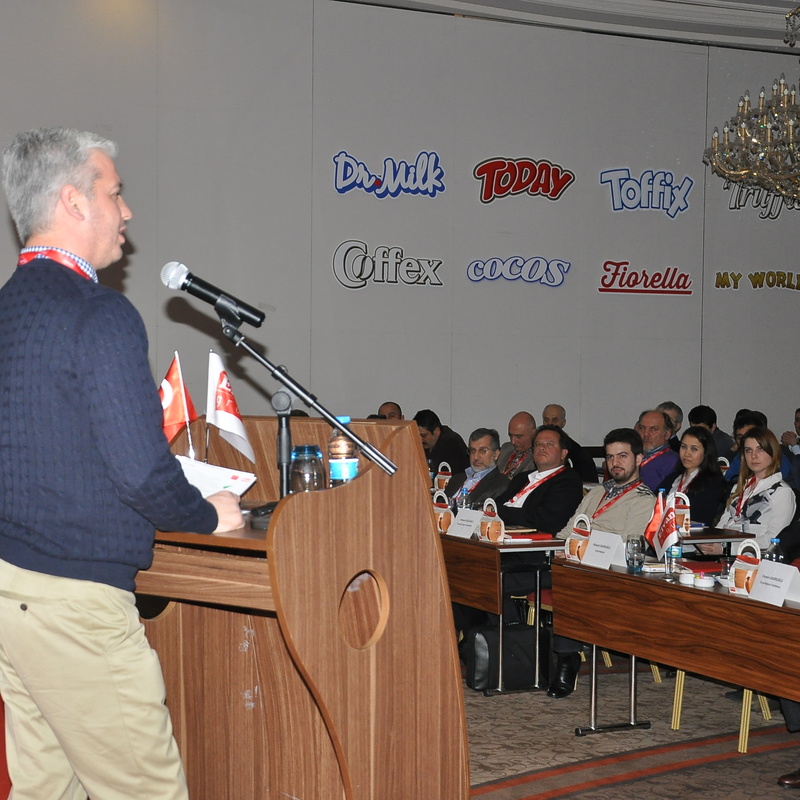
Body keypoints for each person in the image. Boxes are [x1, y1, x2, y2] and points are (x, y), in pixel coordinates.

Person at [0, 127, 244, 800]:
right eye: (115, 192)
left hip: (11, 589)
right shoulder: (99, 314)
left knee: (48, 788)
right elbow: (140, 473)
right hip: (76, 603)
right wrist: (208, 516)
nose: (127, 210)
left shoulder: (6, 310)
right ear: (73, 201)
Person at [548, 428, 655, 698]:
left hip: (613, 574)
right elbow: (567, 531)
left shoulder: (644, 500)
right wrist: (560, 548)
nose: (615, 463)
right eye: (609, 457)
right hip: (577, 564)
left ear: (639, 459)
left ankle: (567, 660)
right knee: (513, 574)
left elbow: (628, 546)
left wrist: (580, 548)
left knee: (571, 586)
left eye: (622, 456)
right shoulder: (596, 493)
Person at [717, 427, 796, 550]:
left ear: (773, 453)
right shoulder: (739, 487)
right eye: (748, 450)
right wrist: (709, 542)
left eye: (760, 449)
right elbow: (722, 526)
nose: (753, 456)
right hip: (724, 550)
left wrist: (727, 548)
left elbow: (773, 539)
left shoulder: (782, 492)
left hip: (754, 555)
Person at [497, 425, 584, 531]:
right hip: (499, 530)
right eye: (538, 444)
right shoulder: (521, 478)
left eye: (550, 444)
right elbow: (496, 504)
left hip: (532, 537)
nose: (542, 447)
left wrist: (500, 512)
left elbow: (545, 520)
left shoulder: (568, 481)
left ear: (563, 453)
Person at [657, 425, 727, 526]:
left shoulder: (712, 483)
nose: (687, 453)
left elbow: (702, 519)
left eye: (694, 449)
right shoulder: (672, 478)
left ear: (706, 453)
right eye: (683, 447)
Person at [444, 428, 509, 505]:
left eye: (482, 450)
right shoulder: (456, 479)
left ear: (496, 454)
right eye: (472, 450)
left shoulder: (501, 485)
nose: (476, 457)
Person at [541, 403, 598, 482]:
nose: (550, 424)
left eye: (555, 420)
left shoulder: (576, 451)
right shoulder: (536, 447)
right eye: (546, 420)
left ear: (563, 423)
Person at [635, 409, 680, 491]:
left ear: (667, 434)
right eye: (642, 428)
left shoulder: (673, 462)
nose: (646, 434)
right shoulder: (632, 455)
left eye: (654, 429)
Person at [413, 409, 469, 473]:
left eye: (423, 435)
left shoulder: (450, 444)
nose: (420, 439)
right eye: (416, 435)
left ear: (436, 431)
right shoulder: (429, 443)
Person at [496, 411, 536, 479]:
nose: (513, 441)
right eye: (510, 436)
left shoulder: (537, 456)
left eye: (518, 437)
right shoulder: (505, 448)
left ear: (533, 433)